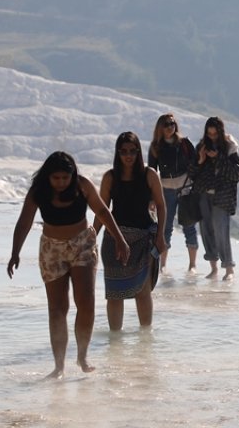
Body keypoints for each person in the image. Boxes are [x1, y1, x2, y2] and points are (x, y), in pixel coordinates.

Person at [7, 152, 129, 378]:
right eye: (56, 178)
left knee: (86, 303)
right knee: (57, 308)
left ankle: (82, 354)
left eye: (65, 177)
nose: (61, 182)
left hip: (82, 244)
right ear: (48, 177)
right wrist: (15, 252)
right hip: (51, 248)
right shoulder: (38, 192)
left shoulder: (82, 186)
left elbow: (102, 210)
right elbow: (24, 222)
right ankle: (59, 365)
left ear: (73, 175)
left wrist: (119, 239)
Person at [98, 132, 167, 330]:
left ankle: (146, 340)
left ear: (138, 152)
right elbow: (102, 210)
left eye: (133, 151)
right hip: (114, 240)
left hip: (143, 238)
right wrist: (92, 235)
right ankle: (115, 342)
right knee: (114, 293)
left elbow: (161, 206)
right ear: (117, 153)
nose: (128, 156)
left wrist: (161, 235)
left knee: (143, 291)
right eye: (124, 151)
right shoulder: (110, 177)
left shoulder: (149, 175)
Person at [188, 116, 239, 280]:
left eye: (215, 134)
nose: (212, 137)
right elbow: (192, 174)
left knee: (221, 231)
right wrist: (200, 160)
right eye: (209, 134)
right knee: (206, 231)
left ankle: (229, 268)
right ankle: (213, 268)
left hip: (222, 196)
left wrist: (219, 157)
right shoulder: (201, 147)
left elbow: (237, 173)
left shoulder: (229, 148)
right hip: (203, 195)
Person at [148, 113, 197, 273]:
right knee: (165, 227)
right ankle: (163, 265)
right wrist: (152, 197)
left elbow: (195, 164)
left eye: (172, 124)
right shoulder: (156, 147)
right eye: (167, 124)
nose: (170, 127)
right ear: (160, 128)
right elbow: (152, 172)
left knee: (189, 225)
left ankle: (192, 265)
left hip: (185, 188)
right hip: (165, 190)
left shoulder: (184, 143)